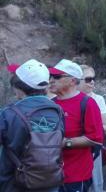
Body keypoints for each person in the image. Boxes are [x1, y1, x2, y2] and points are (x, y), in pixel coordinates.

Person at [1, 60, 65, 192]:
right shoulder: (57, 111)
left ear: (18, 87)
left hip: (15, 182)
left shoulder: (8, 114)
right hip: (50, 182)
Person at [50, 59, 105, 192]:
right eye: (50, 76)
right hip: (49, 174)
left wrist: (66, 142)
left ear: (73, 81)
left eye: (57, 77)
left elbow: (96, 139)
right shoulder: (50, 104)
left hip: (75, 175)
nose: (51, 80)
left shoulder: (88, 103)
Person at [78, 65, 106, 192]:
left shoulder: (98, 99)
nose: (92, 82)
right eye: (87, 79)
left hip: (92, 148)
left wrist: (88, 131)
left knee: (96, 183)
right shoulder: (68, 99)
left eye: (93, 78)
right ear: (76, 80)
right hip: (73, 151)